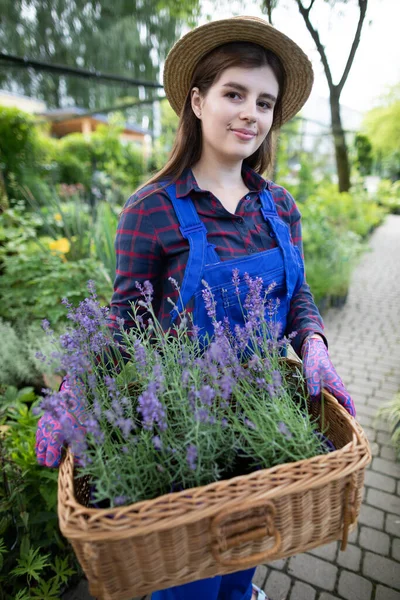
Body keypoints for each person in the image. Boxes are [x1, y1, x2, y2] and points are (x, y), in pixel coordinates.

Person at [35, 15, 356, 600]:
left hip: (262, 421)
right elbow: (125, 321)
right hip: (184, 432)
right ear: (198, 99)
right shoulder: (152, 209)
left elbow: (298, 294)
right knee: (187, 584)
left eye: (265, 102)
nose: (250, 114)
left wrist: (312, 342)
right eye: (234, 93)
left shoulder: (279, 206)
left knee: (244, 563)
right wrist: (74, 392)